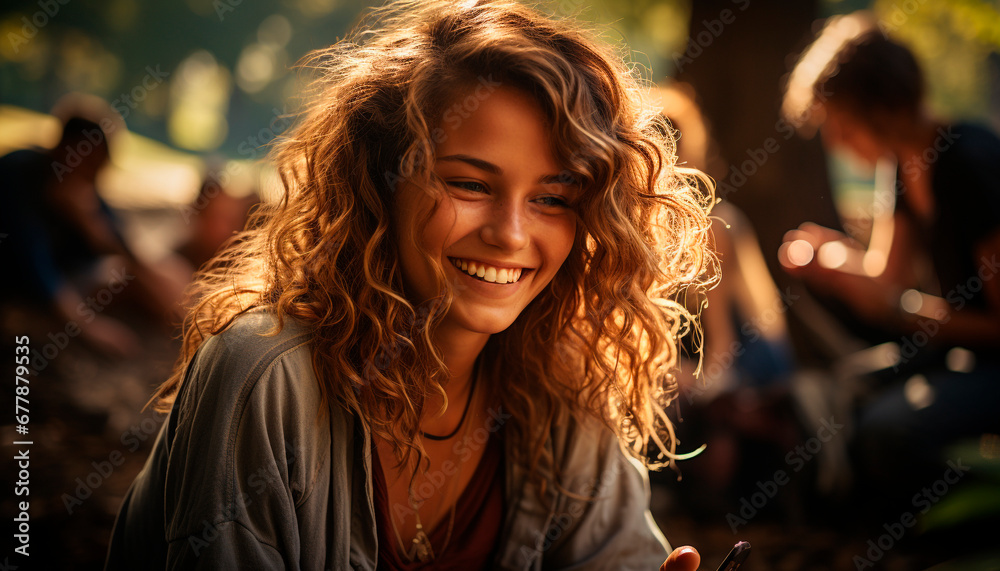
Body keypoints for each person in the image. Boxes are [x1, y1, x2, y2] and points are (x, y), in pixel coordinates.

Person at [105, 1, 715, 569]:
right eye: (470, 185)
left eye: (552, 198)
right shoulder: (265, 378)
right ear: (382, 181)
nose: (510, 234)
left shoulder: (565, 390)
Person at [778, 12, 1000, 502]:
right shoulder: (903, 165)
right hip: (959, 354)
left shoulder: (968, 164)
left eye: (840, 124)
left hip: (990, 363)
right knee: (843, 392)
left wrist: (910, 314)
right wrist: (830, 258)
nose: (835, 142)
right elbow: (885, 276)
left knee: (888, 429)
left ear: (877, 105)